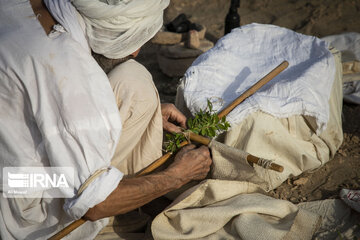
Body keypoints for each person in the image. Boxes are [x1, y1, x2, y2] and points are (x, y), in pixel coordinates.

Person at [0, 0, 212, 239]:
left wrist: (149, 113)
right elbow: (95, 204)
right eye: (132, 40)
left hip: (11, 166)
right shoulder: (67, 69)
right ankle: (131, 206)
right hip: (19, 192)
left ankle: (134, 197)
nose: (135, 52)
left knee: (133, 83)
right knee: (92, 194)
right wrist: (176, 176)